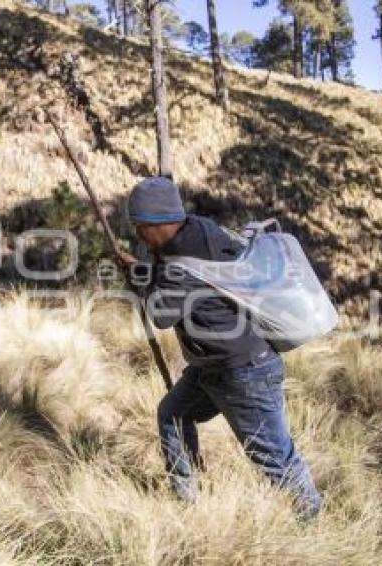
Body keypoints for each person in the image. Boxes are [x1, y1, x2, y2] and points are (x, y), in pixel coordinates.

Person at [115, 176, 322, 519]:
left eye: (140, 227)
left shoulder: (184, 258)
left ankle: (312, 521)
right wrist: (142, 271)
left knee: (274, 459)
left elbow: (161, 313)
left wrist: (137, 279)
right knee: (174, 414)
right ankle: (189, 503)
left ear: (160, 223)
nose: (138, 236)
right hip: (216, 364)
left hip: (243, 372)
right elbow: (178, 284)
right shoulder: (199, 230)